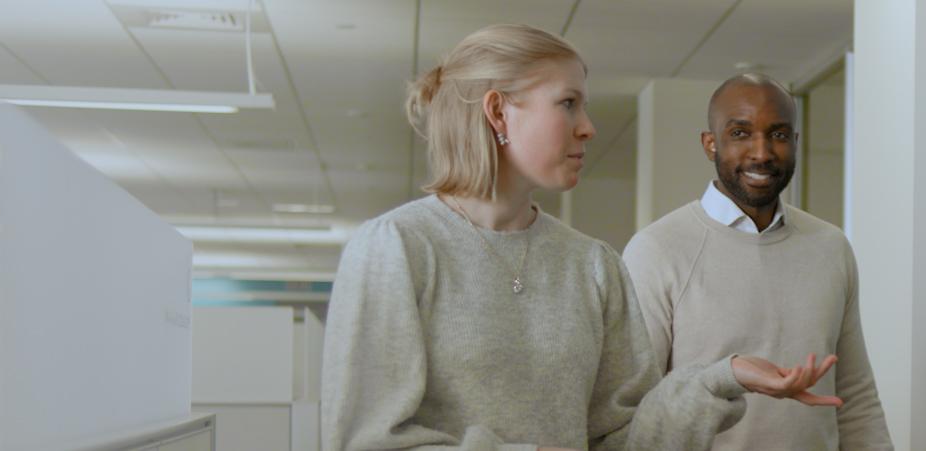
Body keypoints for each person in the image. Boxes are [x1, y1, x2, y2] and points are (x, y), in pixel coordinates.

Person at [321, 24, 842, 451]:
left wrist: (720, 378)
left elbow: (622, 439)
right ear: (499, 111)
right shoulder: (397, 248)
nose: (588, 126)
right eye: (568, 103)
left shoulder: (592, 264)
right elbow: (366, 440)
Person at [622, 73, 892, 450]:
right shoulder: (656, 250)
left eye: (778, 135)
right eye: (741, 133)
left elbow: (856, 397)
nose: (762, 152)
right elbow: (634, 409)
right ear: (710, 143)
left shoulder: (831, 247)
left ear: (795, 142)